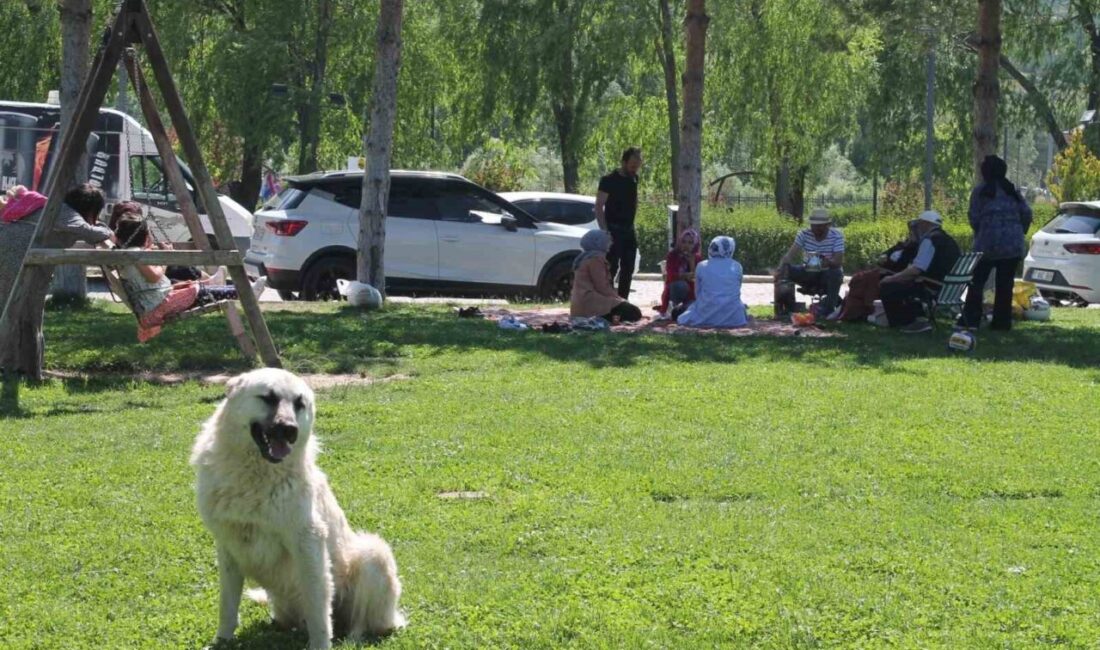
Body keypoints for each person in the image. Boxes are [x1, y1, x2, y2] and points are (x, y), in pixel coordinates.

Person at [112, 214, 264, 342]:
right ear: (143, 236)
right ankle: (246, 293)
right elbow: (155, 277)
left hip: (155, 301)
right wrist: (166, 258)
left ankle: (244, 291)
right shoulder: (135, 254)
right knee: (197, 290)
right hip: (157, 307)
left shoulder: (128, 252)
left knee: (193, 286)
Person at [0, 183, 115, 307]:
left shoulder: (55, 209)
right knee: (12, 305)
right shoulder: (65, 212)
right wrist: (108, 232)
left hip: (9, 248)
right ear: (91, 209)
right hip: (14, 253)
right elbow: (88, 232)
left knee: (17, 305)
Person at [960, 154, 1033, 331]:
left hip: (987, 244)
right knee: (1005, 285)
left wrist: (982, 231)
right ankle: (1002, 322)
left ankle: (971, 319)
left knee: (977, 282)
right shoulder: (1012, 191)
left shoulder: (981, 192)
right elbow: (1027, 213)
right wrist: (1019, 231)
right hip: (1013, 245)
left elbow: (974, 217)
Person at [878, 210, 961, 333]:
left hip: (932, 285)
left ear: (925, 224)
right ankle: (919, 317)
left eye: (919, 224)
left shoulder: (929, 240)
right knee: (902, 282)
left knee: (888, 285)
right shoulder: (948, 240)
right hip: (948, 288)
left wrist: (891, 278)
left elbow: (916, 269)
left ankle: (908, 323)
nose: (917, 227)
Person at [837, 220, 921, 322]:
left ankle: (857, 311)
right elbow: (885, 254)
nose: (910, 234)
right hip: (883, 270)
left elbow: (902, 265)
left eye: (913, 232)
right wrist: (883, 257)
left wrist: (888, 262)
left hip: (894, 274)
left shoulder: (915, 248)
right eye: (910, 232)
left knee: (863, 280)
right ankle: (848, 309)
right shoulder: (902, 244)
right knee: (858, 278)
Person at [774, 208, 845, 317]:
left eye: (819, 226)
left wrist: (827, 262)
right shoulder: (804, 234)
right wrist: (780, 269)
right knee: (785, 269)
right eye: (813, 225)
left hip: (827, 273)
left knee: (836, 272)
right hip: (808, 271)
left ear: (827, 225)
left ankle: (828, 308)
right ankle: (787, 306)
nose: (815, 228)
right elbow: (789, 255)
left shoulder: (837, 236)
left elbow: (838, 262)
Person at [595, 147, 642, 299]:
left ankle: (623, 301)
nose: (635, 168)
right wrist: (605, 230)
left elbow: (633, 201)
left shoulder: (634, 179)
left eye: (637, 165)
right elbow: (598, 206)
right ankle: (606, 301)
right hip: (613, 230)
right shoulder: (608, 180)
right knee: (611, 267)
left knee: (628, 267)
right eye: (632, 165)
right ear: (624, 162)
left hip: (629, 230)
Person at [569, 229, 643, 323]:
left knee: (625, 308)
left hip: (579, 305)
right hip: (590, 302)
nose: (610, 244)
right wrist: (620, 300)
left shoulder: (585, 257)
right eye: (607, 241)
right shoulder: (596, 260)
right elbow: (602, 287)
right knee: (633, 312)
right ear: (598, 242)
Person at [677, 235, 749, 328]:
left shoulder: (701, 266)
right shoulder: (737, 266)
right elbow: (737, 290)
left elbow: (698, 293)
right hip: (735, 318)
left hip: (706, 310)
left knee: (684, 316)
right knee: (741, 307)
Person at [658, 228, 702, 320]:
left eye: (690, 243)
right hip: (674, 289)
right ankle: (673, 305)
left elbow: (697, 278)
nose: (686, 245)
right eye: (684, 242)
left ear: (695, 244)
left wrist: (691, 262)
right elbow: (671, 276)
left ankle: (679, 309)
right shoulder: (672, 255)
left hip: (691, 293)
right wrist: (685, 276)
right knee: (680, 285)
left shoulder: (697, 258)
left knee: (687, 312)